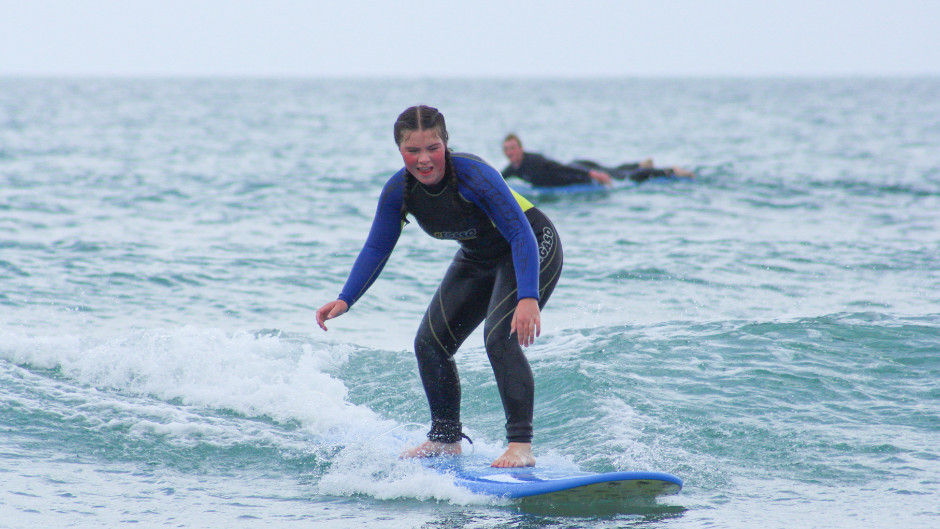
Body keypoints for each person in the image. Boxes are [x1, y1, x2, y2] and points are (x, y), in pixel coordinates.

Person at [316, 105, 563, 468]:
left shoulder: (475, 175)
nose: (424, 159)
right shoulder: (398, 192)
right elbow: (377, 246)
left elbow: (520, 233)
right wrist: (345, 298)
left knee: (499, 337)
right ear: (399, 150)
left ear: (445, 144)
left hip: (530, 243)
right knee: (430, 343)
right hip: (478, 257)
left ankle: (520, 446)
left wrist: (528, 297)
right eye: (412, 150)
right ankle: (446, 439)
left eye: (432, 148)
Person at [501, 133, 694, 188]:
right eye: (506, 149)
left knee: (626, 177)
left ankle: (671, 171)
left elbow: (560, 167)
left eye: (512, 148)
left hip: (580, 170)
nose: (510, 152)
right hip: (580, 165)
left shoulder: (533, 160)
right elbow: (498, 179)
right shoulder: (514, 168)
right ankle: (642, 163)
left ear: (521, 148)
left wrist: (592, 174)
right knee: (616, 170)